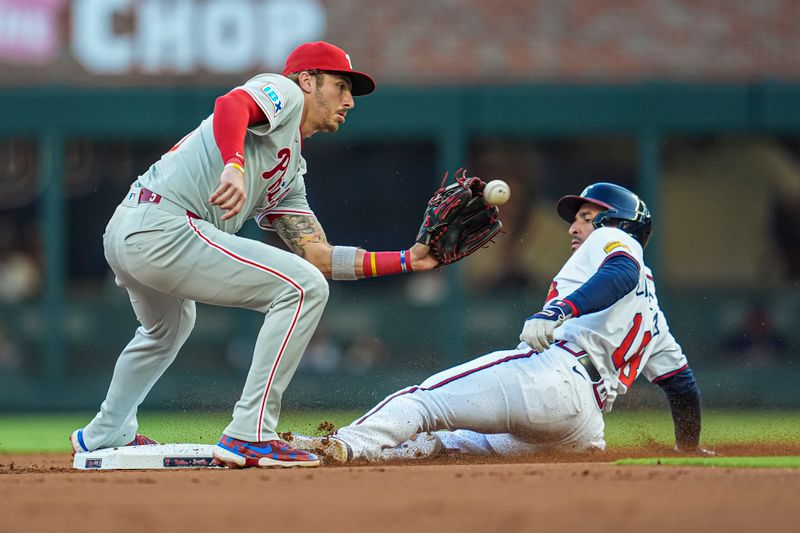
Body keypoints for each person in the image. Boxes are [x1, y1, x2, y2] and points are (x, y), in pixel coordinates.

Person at [69, 41, 440, 469]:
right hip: (162, 223)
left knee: (169, 327)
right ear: (307, 81)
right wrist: (233, 165)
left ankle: (104, 433)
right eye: (340, 86)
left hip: (134, 228)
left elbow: (318, 255)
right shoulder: (282, 92)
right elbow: (231, 105)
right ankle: (250, 433)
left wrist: (409, 260)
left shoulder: (290, 170)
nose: (349, 101)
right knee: (302, 289)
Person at [286, 182, 715, 463]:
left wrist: (557, 311)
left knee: (424, 402)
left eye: (587, 217)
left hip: (552, 376)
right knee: (455, 445)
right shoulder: (654, 317)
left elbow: (620, 273)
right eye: (577, 218)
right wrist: (688, 448)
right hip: (583, 426)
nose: (575, 227)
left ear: (618, 224)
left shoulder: (615, 240)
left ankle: (340, 445)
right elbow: (681, 385)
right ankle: (361, 451)